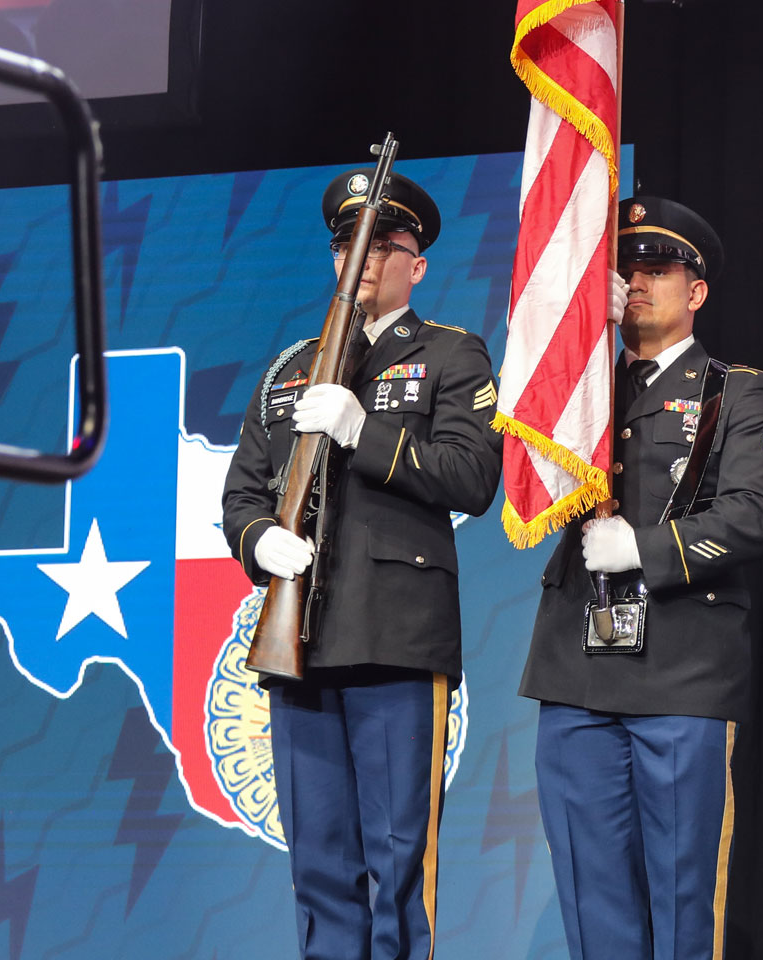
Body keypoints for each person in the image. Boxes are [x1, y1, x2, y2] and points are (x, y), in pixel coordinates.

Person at [221, 169, 503, 960]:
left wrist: (362, 431)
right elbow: (242, 494)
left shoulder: (451, 355)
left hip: (395, 643)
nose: (364, 257)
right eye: (350, 242)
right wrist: (257, 543)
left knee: (397, 862)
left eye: (386, 243)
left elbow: (472, 478)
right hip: (301, 642)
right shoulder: (288, 370)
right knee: (318, 865)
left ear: (418, 265)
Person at [518, 196, 763, 959]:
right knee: (592, 902)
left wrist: (648, 549)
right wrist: (579, 345)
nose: (637, 282)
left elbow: (753, 515)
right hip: (576, 673)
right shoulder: (577, 391)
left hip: (681, 672)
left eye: (657, 270)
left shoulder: (737, 391)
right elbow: (517, 466)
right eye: (627, 268)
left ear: (695, 292)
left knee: (681, 896)